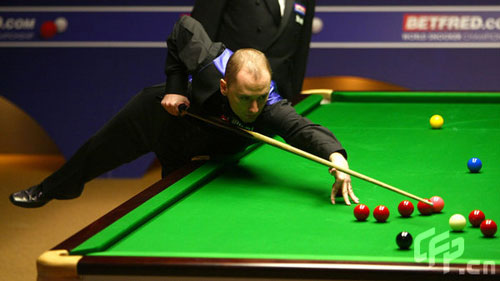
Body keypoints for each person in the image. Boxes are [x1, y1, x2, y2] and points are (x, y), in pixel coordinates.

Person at [9, 16, 358, 208]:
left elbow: (300, 128)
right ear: (224, 86)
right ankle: (51, 189)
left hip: (201, 139)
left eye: (260, 97)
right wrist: (176, 88)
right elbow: (182, 27)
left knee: (174, 199)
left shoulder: (266, 103)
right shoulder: (210, 61)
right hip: (160, 115)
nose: (255, 108)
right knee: (98, 150)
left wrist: (336, 157)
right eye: (245, 98)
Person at [190, 0, 315, 101]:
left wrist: (293, 98)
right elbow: (198, 37)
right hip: (227, 97)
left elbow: (301, 53)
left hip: (278, 98)